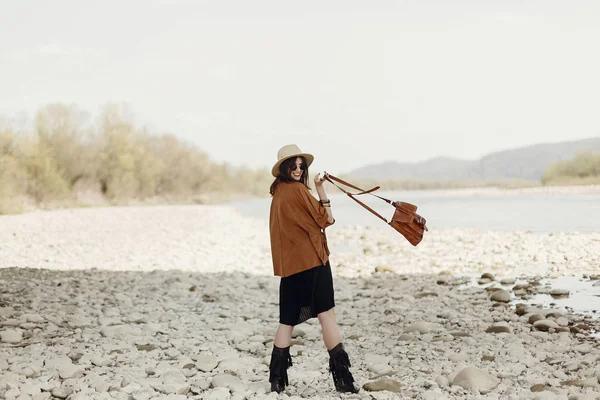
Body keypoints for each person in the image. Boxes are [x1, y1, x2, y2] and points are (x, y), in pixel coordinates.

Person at [267, 144, 359, 394]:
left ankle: (276, 381)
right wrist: (321, 190)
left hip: (290, 268)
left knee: (286, 321)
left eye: (301, 166)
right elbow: (325, 219)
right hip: (313, 263)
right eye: (293, 166)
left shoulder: (278, 194)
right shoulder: (298, 190)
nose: (298, 169)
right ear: (285, 168)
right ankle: (343, 380)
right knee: (326, 315)